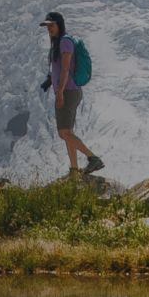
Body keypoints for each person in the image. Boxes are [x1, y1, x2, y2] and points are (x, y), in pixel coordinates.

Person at [39, 12, 106, 175]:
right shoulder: (58, 43)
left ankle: (93, 158)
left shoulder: (65, 42)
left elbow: (66, 68)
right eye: (47, 26)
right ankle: (74, 170)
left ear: (59, 25)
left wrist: (60, 92)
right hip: (68, 91)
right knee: (67, 132)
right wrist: (50, 81)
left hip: (68, 92)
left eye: (52, 25)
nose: (49, 28)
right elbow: (57, 68)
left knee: (64, 132)